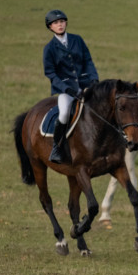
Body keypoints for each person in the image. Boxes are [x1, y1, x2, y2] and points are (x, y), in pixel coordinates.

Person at [42, 9, 98, 164]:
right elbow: (51, 73)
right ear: (50, 27)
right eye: (55, 23)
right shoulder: (49, 48)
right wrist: (66, 89)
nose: (59, 25)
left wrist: (94, 79)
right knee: (65, 113)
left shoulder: (77, 40)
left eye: (61, 22)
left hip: (86, 85)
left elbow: (88, 61)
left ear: (66, 23)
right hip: (66, 89)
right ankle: (57, 147)